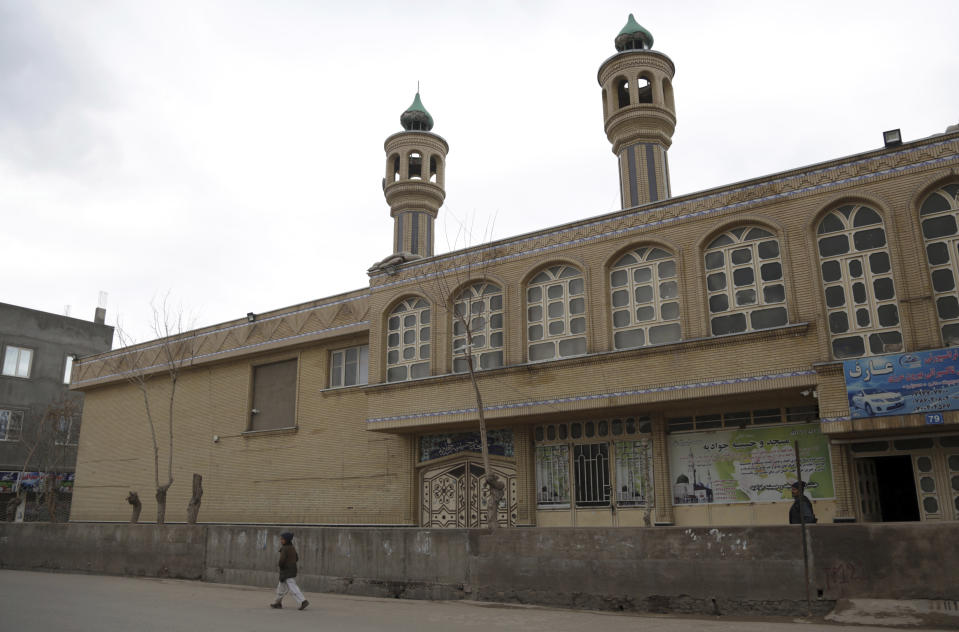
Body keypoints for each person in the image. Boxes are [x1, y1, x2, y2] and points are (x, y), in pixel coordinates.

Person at [270, 531, 309, 610]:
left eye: (282, 539)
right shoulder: (292, 547)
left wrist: (281, 565)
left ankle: (303, 601)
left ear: (287, 540)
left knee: (292, 586)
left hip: (286, 571)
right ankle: (277, 603)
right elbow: (296, 558)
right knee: (281, 587)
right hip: (291, 569)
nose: (281, 540)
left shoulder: (285, 548)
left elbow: (282, 560)